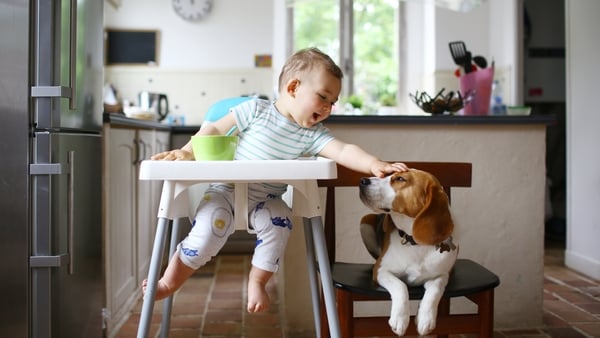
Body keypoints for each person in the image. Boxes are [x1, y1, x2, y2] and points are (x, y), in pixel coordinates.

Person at [145, 47, 408, 313]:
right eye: (323, 97)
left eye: (333, 101)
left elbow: (342, 150)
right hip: (224, 191)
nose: (329, 107)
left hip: (266, 200)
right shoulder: (255, 109)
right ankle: (168, 282)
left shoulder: (311, 135)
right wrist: (188, 152)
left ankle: (258, 280)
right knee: (205, 235)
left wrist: (375, 164)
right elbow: (214, 129)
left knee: (279, 223)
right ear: (293, 87)